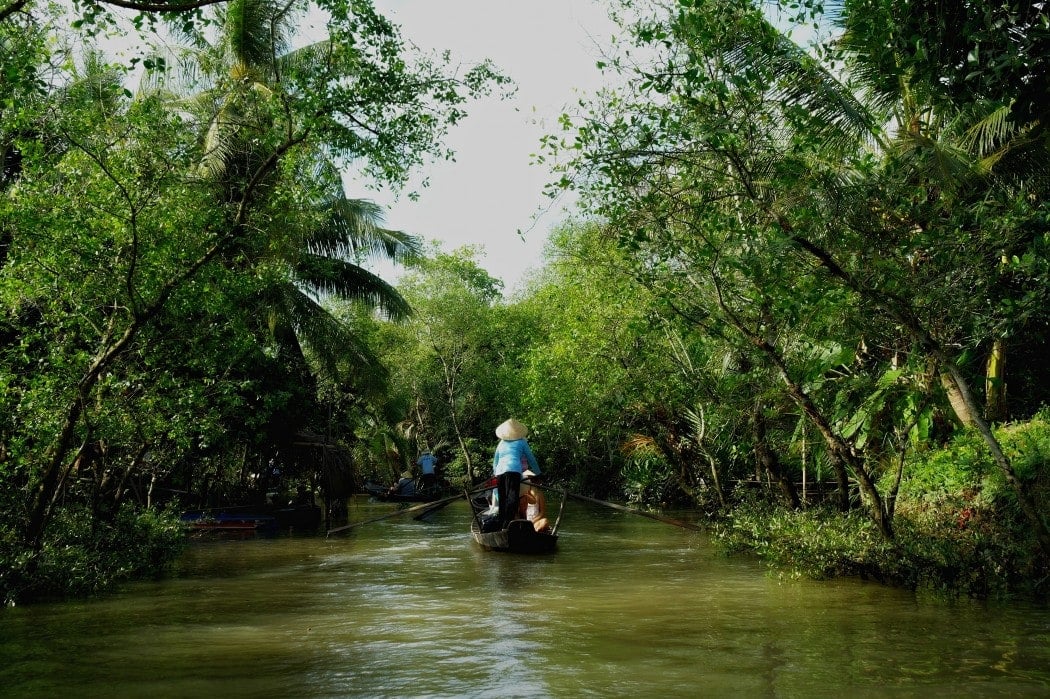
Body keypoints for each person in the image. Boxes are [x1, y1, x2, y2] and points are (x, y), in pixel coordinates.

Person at [492, 418, 540, 526]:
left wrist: (495, 473)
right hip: (513, 470)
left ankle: (502, 523)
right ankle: (508, 523)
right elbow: (531, 458)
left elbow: (495, 461)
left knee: (503, 498)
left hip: (500, 472)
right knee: (512, 497)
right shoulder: (522, 441)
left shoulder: (501, 443)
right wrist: (538, 473)